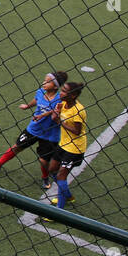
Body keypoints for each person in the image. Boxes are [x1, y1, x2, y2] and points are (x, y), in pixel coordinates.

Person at [0, 71, 67, 192]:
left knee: (43, 160)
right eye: (45, 80)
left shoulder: (60, 100)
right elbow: (36, 100)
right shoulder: (41, 92)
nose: (44, 83)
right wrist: (27, 106)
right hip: (33, 129)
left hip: (49, 134)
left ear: (55, 86)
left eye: (48, 82)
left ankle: (45, 177)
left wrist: (47, 116)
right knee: (16, 147)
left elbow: (56, 113)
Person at [49, 82, 88, 212]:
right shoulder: (64, 104)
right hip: (64, 144)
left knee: (61, 176)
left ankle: (59, 211)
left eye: (65, 91)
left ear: (73, 95)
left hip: (75, 148)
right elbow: (54, 118)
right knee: (52, 169)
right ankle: (67, 196)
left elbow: (77, 131)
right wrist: (57, 111)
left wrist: (60, 122)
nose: (61, 92)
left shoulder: (78, 110)